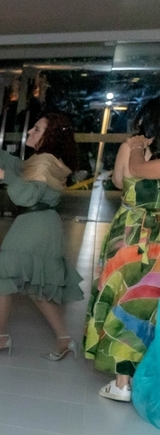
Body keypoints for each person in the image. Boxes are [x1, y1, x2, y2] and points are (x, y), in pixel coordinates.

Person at [0, 113, 84, 357]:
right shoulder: (43, 160)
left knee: (2, 278)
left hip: (34, 225)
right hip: (43, 225)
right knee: (37, 287)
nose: (30, 132)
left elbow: (28, 195)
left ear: (50, 136)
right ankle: (65, 339)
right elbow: (17, 165)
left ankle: (1, 336)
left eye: (36, 129)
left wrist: (4, 176)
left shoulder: (44, 162)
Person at [84, 97, 160, 403]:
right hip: (154, 238)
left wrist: (135, 147)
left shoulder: (132, 147)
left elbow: (120, 179)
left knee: (121, 297)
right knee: (146, 303)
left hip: (128, 232)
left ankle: (122, 381)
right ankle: (135, 375)